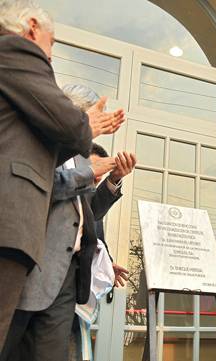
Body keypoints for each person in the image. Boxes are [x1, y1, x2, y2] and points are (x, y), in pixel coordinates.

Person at [0, 0, 123, 350]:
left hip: (67, 273)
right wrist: (87, 145)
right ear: (33, 26)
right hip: (22, 244)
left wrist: (107, 178)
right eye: (52, 44)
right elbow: (50, 177)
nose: (50, 58)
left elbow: (87, 213)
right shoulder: (16, 50)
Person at [0, 84, 133, 361]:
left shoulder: (82, 157)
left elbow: (87, 214)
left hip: (67, 276)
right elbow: (39, 190)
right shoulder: (43, 143)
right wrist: (87, 173)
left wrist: (113, 180)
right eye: (92, 118)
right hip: (29, 268)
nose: (97, 126)